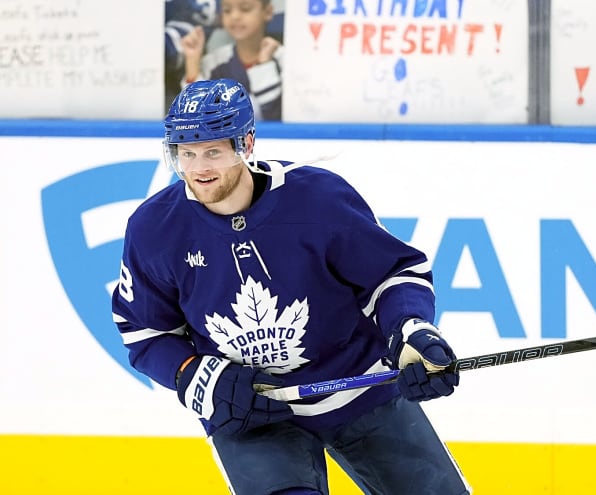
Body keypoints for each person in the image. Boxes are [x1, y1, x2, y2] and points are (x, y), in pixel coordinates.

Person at [111, 78, 470, 495]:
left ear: (245, 144)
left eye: (212, 151)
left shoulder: (317, 198)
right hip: (249, 407)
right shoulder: (155, 228)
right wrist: (191, 374)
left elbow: (392, 274)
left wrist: (411, 329)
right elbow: (146, 332)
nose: (198, 169)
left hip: (361, 386)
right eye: (186, 153)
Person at [181, 0, 283, 120]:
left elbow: (274, 117)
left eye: (245, 8)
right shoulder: (213, 63)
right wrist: (192, 61)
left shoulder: (286, 60)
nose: (235, 16)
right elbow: (194, 118)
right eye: (227, 10)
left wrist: (263, 65)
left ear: (268, 12)